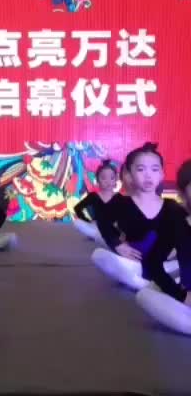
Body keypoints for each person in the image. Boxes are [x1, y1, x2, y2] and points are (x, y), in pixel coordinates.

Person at [91, 143, 180, 291]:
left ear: (161, 174)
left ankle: (148, 282)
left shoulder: (171, 206)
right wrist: (117, 244)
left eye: (154, 169)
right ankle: (144, 282)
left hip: (164, 264)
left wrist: (175, 251)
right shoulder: (121, 202)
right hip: (134, 261)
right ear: (129, 174)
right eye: (140, 169)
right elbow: (103, 221)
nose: (148, 175)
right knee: (98, 255)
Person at [136, 159, 191, 335]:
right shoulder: (176, 223)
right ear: (183, 193)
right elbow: (152, 263)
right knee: (145, 295)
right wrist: (181, 295)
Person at [73, 159, 124, 245]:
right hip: (97, 227)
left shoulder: (120, 198)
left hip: (114, 230)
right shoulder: (93, 196)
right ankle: (100, 237)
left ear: (116, 180)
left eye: (112, 178)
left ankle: (105, 238)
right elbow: (77, 208)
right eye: (103, 178)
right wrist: (89, 221)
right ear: (97, 180)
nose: (108, 182)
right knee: (77, 223)